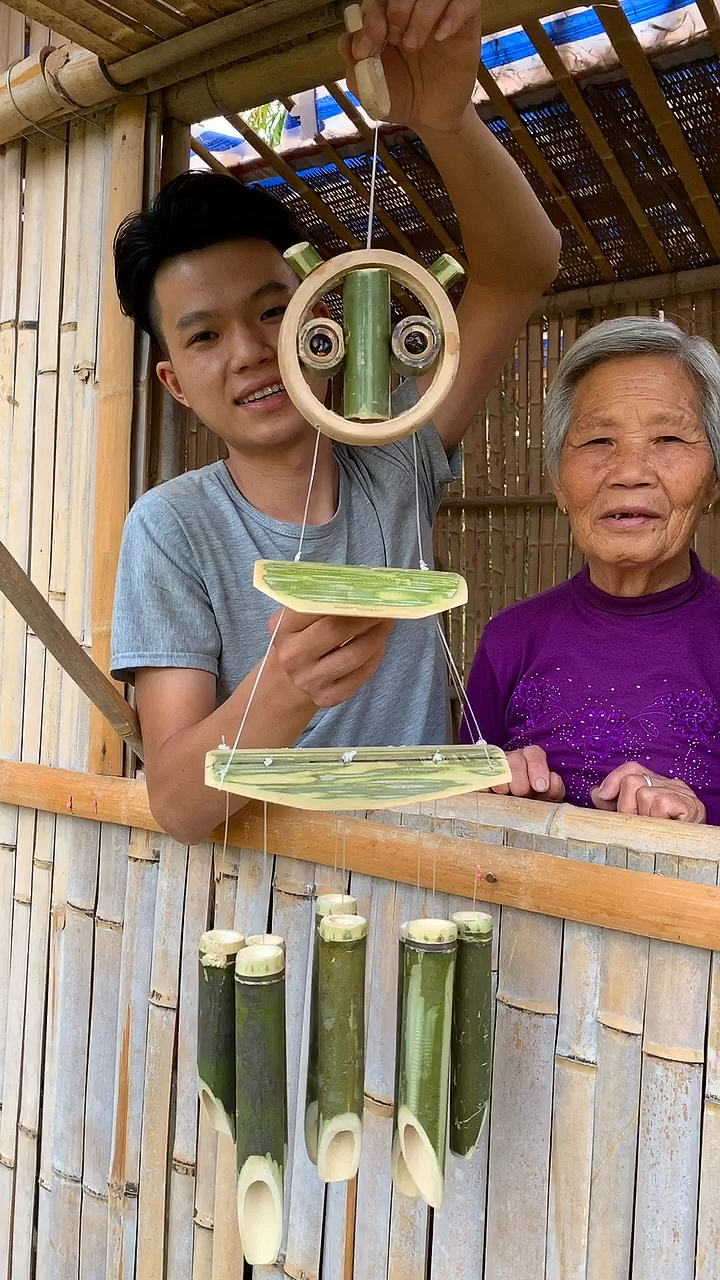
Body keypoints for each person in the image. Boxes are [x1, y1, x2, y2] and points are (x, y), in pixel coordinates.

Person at [110, 0, 560, 845]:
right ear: (174, 381)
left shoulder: (392, 453)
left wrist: (448, 119)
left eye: (274, 311)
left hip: (423, 872)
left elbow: (522, 270)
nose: (249, 352)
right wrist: (283, 689)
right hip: (270, 905)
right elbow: (177, 802)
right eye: (205, 336)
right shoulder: (172, 530)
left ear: (324, 313)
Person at [462, 316, 720, 825]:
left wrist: (696, 821)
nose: (629, 472)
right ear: (559, 482)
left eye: (668, 438)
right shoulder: (510, 640)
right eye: (599, 442)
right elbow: (459, 821)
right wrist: (510, 802)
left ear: (713, 481)